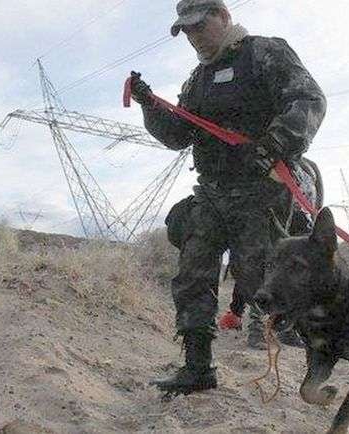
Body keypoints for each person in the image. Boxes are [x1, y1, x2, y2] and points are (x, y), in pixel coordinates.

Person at [130, 0, 326, 396]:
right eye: (186, 32)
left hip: (262, 190)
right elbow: (179, 135)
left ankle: (320, 353)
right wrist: (150, 105)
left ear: (222, 15)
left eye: (199, 27)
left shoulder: (265, 53)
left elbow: (309, 100)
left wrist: (274, 144)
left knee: (261, 279)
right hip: (213, 191)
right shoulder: (198, 80)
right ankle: (197, 365)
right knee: (193, 274)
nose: (194, 37)